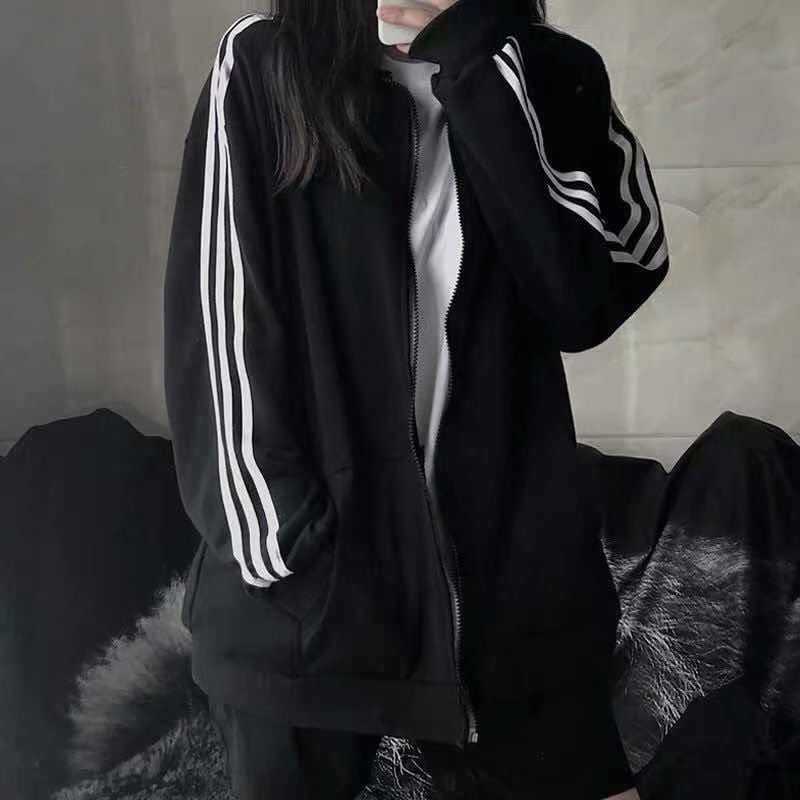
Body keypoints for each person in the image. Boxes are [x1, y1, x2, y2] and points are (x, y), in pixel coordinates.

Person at [162, 0, 668, 797]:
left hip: (517, 599)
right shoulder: (264, 63)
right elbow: (219, 323)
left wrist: (478, 66)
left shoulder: (549, 71)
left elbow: (593, 294)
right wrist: (283, 549)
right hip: (307, 605)